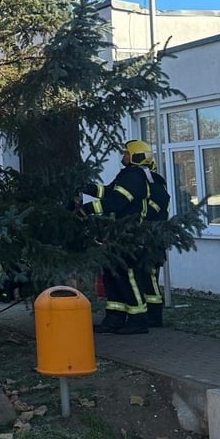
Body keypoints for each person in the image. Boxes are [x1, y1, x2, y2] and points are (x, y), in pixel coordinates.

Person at [77, 140, 154, 334]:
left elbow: (115, 202)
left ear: (135, 157)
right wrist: (85, 187)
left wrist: (86, 209)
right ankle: (114, 317)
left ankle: (138, 320)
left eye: (127, 153)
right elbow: (107, 191)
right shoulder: (127, 175)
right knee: (112, 276)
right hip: (116, 236)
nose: (123, 156)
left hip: (129, 236)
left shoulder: (135, 178)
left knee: (128, 276)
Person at [141, 159, 171, 327]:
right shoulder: (154, 186)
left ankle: (154, 316)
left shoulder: (156, 188)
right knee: (146, 278)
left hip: (153, 240)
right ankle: (149, 314)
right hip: (148, 239)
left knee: (150, 278)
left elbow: (149, 212)